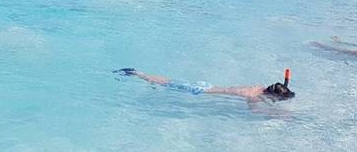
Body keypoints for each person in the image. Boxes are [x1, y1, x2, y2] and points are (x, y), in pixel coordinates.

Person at [116, 68, 295, 103]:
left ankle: (140, 75)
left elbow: (268, 94)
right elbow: (254, 110)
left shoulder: (259, 87)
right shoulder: (253, 96)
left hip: (207, 87)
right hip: (200, 91)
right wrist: (274, 114)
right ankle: (137, 74)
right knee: (169, 83)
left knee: (170, 82)